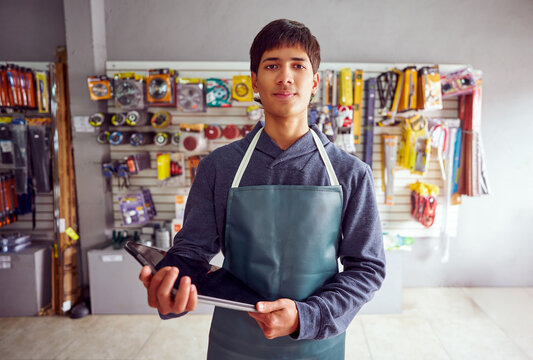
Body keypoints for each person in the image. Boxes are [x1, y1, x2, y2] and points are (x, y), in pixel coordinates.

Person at [139, 19, 385, 359]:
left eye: (298, 65)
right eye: (272, 65)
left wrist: (306, 316)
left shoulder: (350, 173)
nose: (285, 76)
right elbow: (192, 253)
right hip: (235, 345)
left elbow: (367, 268)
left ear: (314, 82)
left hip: (315, 344)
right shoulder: (219, 167)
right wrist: (173, 286)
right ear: (255, 80)